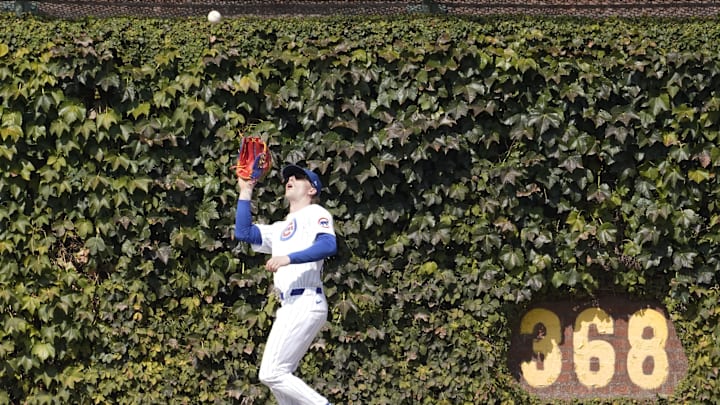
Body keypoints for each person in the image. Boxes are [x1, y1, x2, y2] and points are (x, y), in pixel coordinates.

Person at [234, 163, 336, 405]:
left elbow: (328, 245)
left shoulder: (316, 213)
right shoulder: (279, 229)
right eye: (288, 176)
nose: (290, 178)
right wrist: (246, 191)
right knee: (279, 377)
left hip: (306, 300)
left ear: (312, 190)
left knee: (271, 373)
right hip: (290, 305)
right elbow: (244, 232)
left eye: (298, 177)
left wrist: (288, 258)